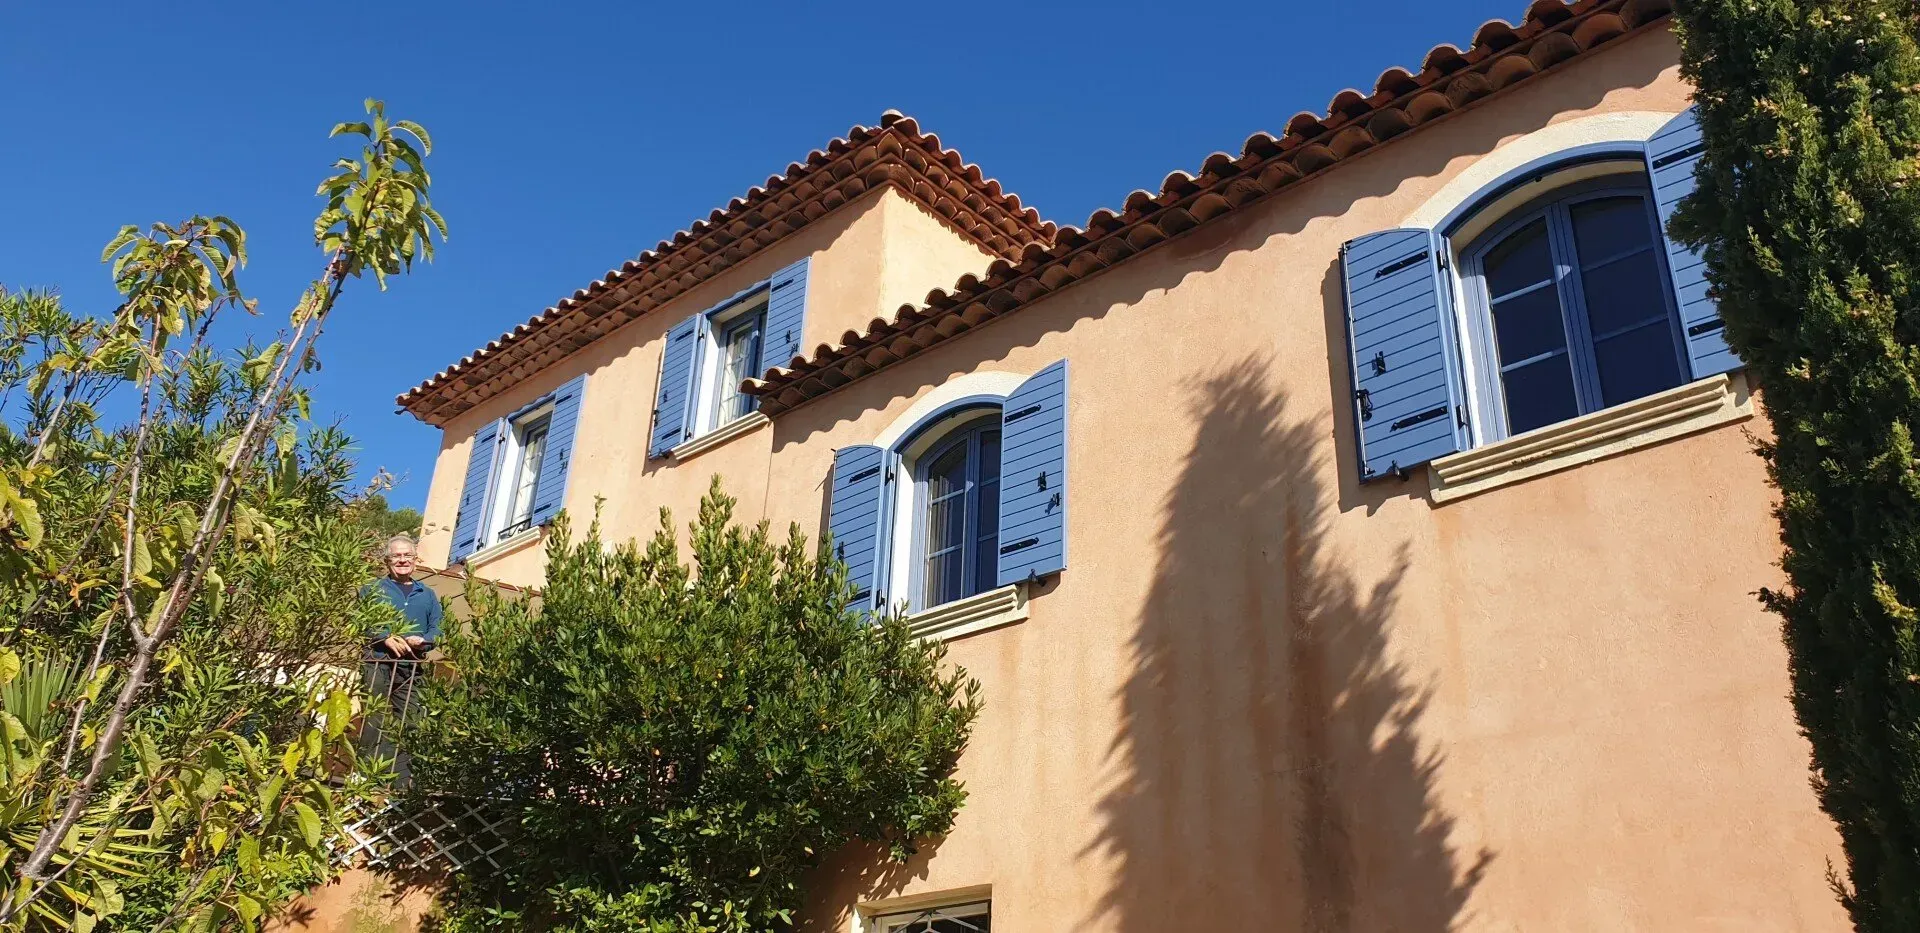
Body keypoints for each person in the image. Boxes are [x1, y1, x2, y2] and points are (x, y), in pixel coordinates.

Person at [360, 534, 443, 788]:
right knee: (374, 718)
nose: (403, 560)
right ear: (387, 560)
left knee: (413, 720)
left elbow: (438, 629)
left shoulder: (427, 595)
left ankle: (404, 782)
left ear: (416, 560)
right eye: (396, 556)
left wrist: (424, 640)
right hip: (377, 662)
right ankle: (368, 778)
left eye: (408, 555)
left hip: (412, 666)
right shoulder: (372, 589)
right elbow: (361, 621)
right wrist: (384, 637)